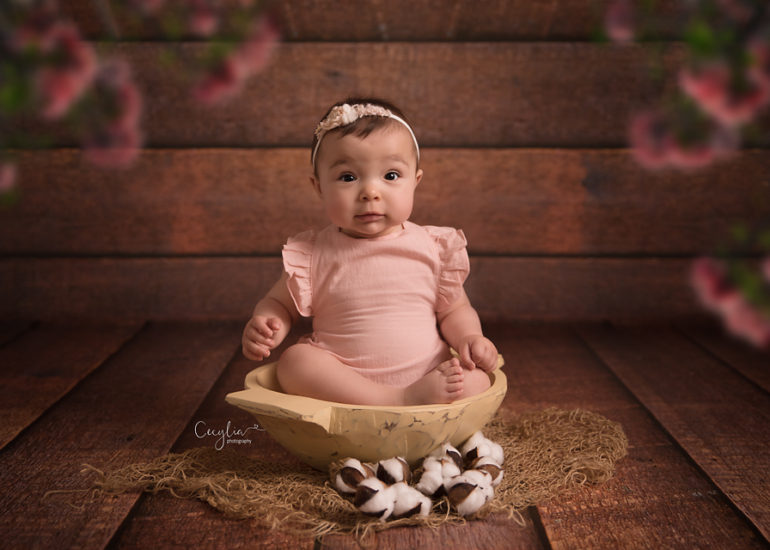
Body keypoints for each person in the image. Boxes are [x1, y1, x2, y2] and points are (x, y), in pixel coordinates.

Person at [241, 97, 498, 406]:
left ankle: (415, 397)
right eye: (348, 177)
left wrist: (470, 338)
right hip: (346, 385)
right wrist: (268, 323)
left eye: (390, 175)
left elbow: (454, 310)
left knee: (480, 377)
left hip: (429, 375)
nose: (370, 192)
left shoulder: (432, 247)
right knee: (295, 362)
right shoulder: (312, 254)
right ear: (319, 186)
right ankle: (395, 399)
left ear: (415, 182)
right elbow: (279, 304)